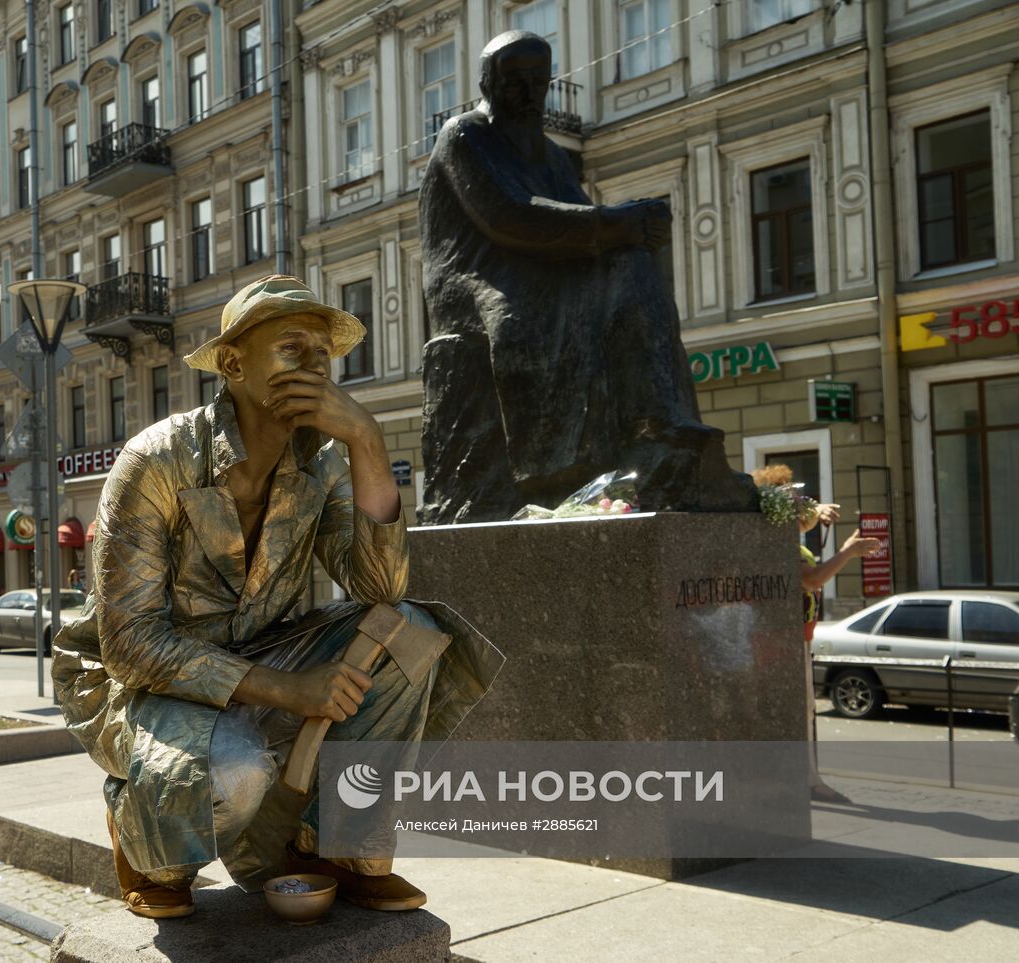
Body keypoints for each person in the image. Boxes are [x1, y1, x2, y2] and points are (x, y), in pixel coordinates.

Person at [53, 275, 502, 919]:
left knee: (409, 631)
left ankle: (334, 845)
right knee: (236, 774)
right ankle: (143, 838)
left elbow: (382, 590)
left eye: (324, 355)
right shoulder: (156, 458)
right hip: (144, 684)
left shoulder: (323, 462)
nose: (315, 367)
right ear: (234, 365)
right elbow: (131, 645)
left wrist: (367, 441)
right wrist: (289, 690)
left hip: (258, 653)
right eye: (293, 348)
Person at [418, 31, 755, 523]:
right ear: (488, 85)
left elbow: (579, 225)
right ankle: (554, 471)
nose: (529, 93)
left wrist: (632, 227)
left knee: (631, 263)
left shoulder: (552, 155)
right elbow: (509, 218)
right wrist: (617, 222)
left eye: (538, 81)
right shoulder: (464, 135)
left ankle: (663, 430)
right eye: (515, 82)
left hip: (537, 270)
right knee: (519, 319)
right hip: (471, 279)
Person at [752, 466, 882, 803]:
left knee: (799, 711)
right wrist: (848, 551)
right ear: (780, 511)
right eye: (797, 502)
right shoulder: (780, 545)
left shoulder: (773, 537)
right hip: (785, 643)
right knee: (798, 711)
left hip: (787, 639)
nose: (804, 509)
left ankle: (799, 780)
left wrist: (819, 509)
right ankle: (804, 782)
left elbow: (807, 520)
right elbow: (812, 579)